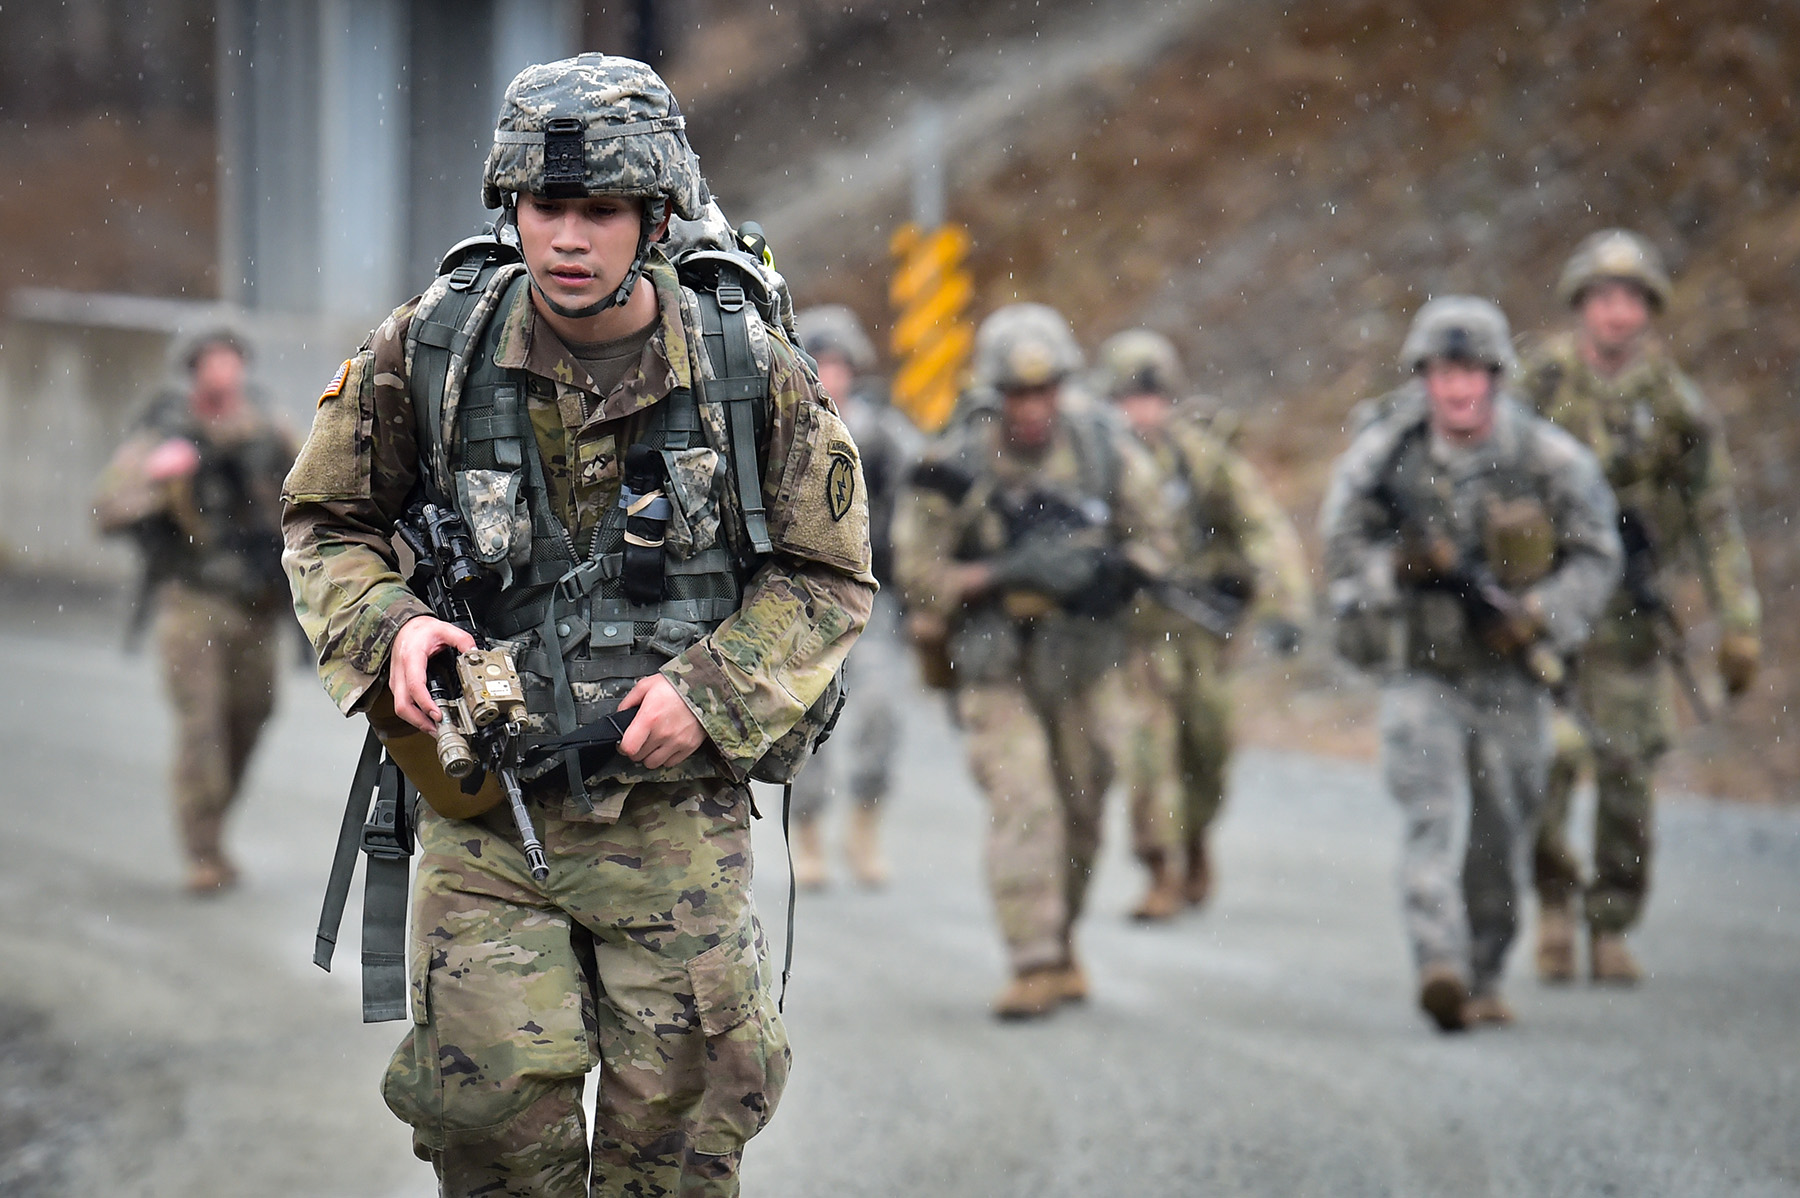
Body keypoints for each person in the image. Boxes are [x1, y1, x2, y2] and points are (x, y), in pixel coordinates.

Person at [280, 55, 873, 1196]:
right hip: (486, 808)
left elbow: (827, 578)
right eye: (545, 205)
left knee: (682, 1139)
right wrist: (393, 628)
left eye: (599, 209)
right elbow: (326, 521)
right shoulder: (435, 348)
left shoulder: (747, 370)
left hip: (674, 821)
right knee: (489, 1125)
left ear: (656, 218)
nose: (566, 237)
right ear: (511, 207)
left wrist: (707, 692)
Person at [1320, 296, 1620, 1032]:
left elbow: (1596, 556)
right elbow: (1341, 558)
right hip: (1423, 670)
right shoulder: (1384, 459)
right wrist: (1398, 569)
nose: (1457, 389)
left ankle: (1484, 970)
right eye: (1443, 373)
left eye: (1471, 373)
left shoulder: (1545, 458)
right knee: (1430, 818)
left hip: (1510, 678)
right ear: (1423, 378)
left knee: (1502, 832)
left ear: (1496, 377)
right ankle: (1439, 963)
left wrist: (1537, 613)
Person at [891, 303, 1171, 1020]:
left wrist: (1110, 573)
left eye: (1045, 391)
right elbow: (913, 574)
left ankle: (1061, 938)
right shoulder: (954, 466)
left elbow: (1158, 539)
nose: (1034, 407)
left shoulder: (1103, 451)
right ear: (996, 394)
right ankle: (1033, 960)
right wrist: (1001, 574)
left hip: (1083, 659)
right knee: (1025, 803)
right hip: (995, 663)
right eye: (1019, 393)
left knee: (1083, 807)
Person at [1522, 230, 1762, 985]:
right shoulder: (1539, 385)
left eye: (1631, 299)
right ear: (1580, 305)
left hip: (1628, 616)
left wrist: (1738, 622)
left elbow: (1713, 517)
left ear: (1650, 310)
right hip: (1545, 604)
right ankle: (1553, 901)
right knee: (1544, 762)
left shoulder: (1674, 406)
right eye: (1603, 298)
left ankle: (1611, 921)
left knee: (1627, 772)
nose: (1617, 313)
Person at [1092, 329, 1312, 918]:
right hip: (1130, 638)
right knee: (1147, 755)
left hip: (1202, 635)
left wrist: (1284, 604)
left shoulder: (1200, 460)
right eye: (1128, 398)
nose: (1141, 411)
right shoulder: (1095, 462)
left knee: (1207, 750)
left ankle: (1194, 839)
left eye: (1152, 397)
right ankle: (1159, 868)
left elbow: (1262, 526)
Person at [93, 328, 294, 895]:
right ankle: (203, 851)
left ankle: (213, 824)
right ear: (194, 370)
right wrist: (157, 478)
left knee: (250, 719)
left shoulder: (269, 430)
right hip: (192, 604)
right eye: (211, 360)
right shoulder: (165, 432)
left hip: (256, 606)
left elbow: (317, 490)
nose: (223, 370)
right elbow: (106, 509)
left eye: (231, 359)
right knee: (201, 727)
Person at [787, 305, 921, 888]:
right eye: (822, 362)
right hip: (802, 600)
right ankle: (809, 831)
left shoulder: (883, 434)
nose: (832, 374)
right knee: (804, 714)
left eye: (841, 363)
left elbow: (923, 500)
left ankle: (865, 821)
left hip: (874, 595)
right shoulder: (784, 423)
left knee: (881, 709)